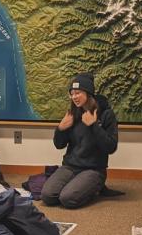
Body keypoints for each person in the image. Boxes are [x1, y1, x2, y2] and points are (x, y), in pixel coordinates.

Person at [42, 73, 118, 209]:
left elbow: (111, 147)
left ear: (88, 93)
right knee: (47, 196)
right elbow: (59, 145)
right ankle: (78, 184)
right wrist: (60, 129)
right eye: (72, 94)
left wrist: (94, 126)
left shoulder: (106, 114)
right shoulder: (73, 113)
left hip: (93, 169)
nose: (74, 97)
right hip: (70, 166)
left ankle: (96, 186)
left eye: (78, 93)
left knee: (67, 198)